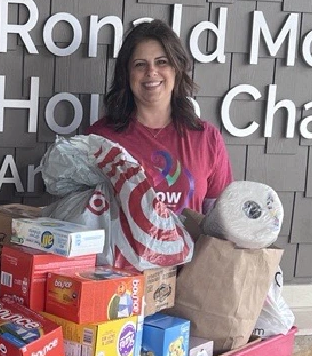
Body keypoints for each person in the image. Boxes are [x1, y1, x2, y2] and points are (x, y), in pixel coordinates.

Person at [87, 19, 232, 215]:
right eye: (140, 65)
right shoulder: (100, 138)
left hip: (190, 247)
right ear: (127, 75)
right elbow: (86, 215)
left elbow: (220, 222)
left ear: (176, 69)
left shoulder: (207, 139)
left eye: (162, 62)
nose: (151, 72)